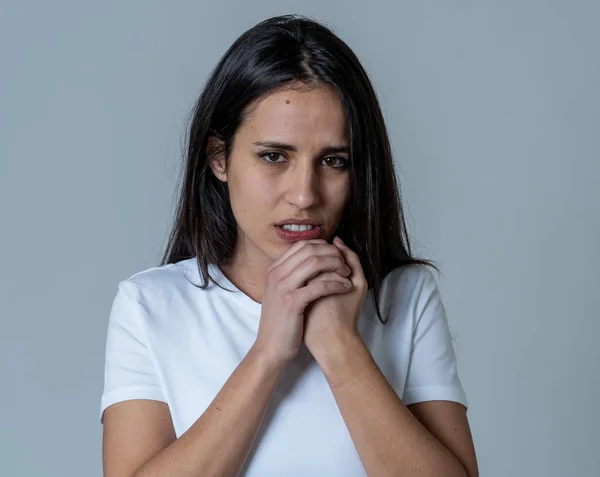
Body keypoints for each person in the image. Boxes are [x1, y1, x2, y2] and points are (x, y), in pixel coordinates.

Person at [100, 14, 479, 477]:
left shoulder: (405, 296)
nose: (305, 195)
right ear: (220, 158)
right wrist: (266, 354)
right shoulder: (149, 305)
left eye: (334, 161)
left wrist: (340, 346)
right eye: (274, 156)